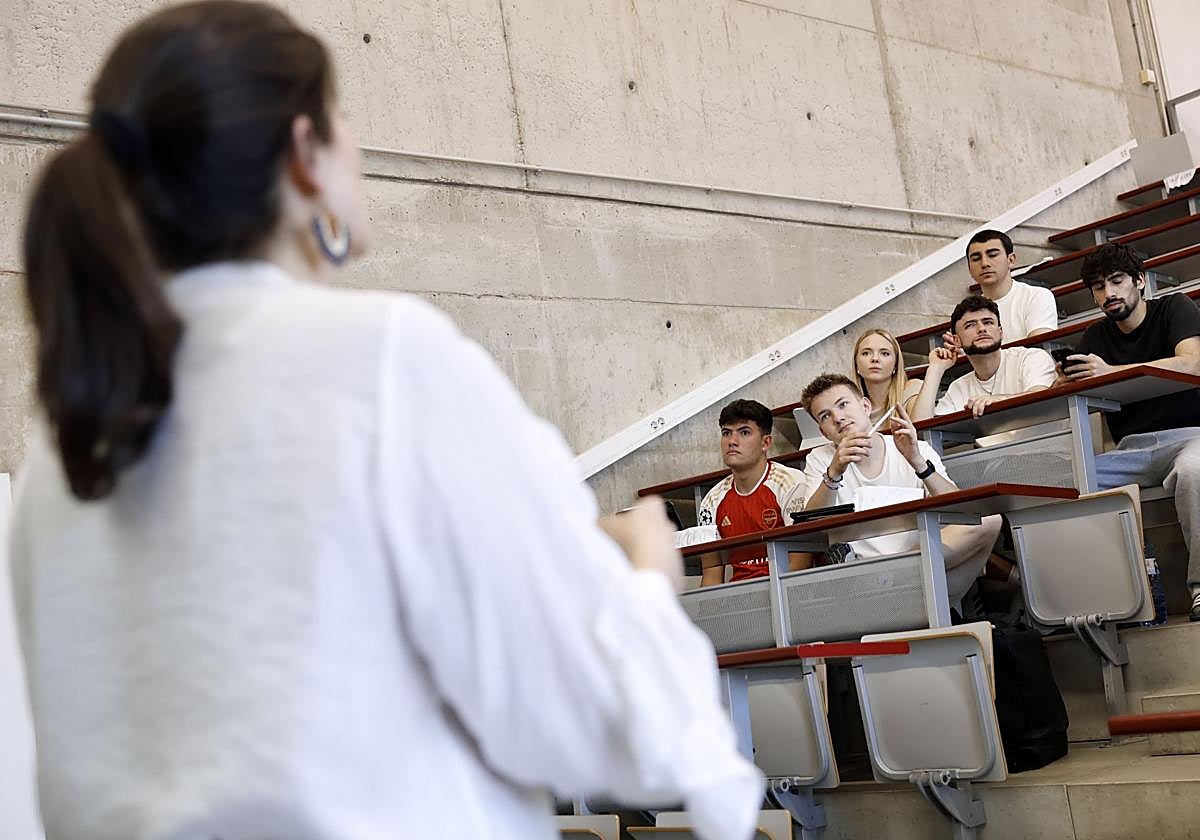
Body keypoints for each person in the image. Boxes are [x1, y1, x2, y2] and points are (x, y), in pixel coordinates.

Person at [8, 4, 763, 839]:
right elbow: (596, 726)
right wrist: (646, 575)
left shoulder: (61, 443)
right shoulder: (380, 357)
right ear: (303, 154)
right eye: (343, 120)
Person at [1060, 242, 1200, 622]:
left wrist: (1112, 374)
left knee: (1195, 471)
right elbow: (1069, 389)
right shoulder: (1095, 337)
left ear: (1139, 281)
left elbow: (1192, 363)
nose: (1108, 293)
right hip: (1130, 451)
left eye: (1117, 281)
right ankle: (1096, 602)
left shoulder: (1173, 308)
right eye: (1099, 287)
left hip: (1191, 436)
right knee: (1065, 484)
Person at [799, 374, 1002, 606]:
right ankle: (925, 598)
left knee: (988, 520)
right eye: (825, 416)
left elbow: (961, 511)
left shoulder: (916, 447)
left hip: (910, 565)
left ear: (865, 406)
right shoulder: (820, 459)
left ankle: (898, 579)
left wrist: (918, 463)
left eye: (843, 404)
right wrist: (834, 473)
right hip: (865, 571)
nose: (838, 418)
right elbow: (811, 524)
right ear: (823, 431)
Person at [697, 400, 806, 586]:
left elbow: (800, 563)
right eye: (726, 433)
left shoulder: (792, 483)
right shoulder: (711, 501)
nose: (732, 441)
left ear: (766, 442)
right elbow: (711, 574)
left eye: (744, 432)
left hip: (789, 594)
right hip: (741, 599)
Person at [912, 296, 1057, 420]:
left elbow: (1041, 395)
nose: (981, 329)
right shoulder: (959, 387)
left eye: (988, 322)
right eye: (970, 325)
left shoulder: (1030, 358)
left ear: (1000, 332)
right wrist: (935, 368)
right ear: (956, 341)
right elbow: (921, 425)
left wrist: (999, 399)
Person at [943, 230, 1057, 351]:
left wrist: (974, 354)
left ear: (1011, 260)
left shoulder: (1037, 296)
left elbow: (1038, 350)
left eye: (992, 255)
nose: (985, 263)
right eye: (976, 259)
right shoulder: (966, 313)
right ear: (969, 269)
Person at [851, 328, 923, 425]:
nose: (875, 359)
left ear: (896, 364)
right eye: (866, 353)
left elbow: (922, 428)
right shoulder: (850, 408)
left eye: (885, 353)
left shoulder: (911, 389)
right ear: (856, 364)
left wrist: (935, 368)